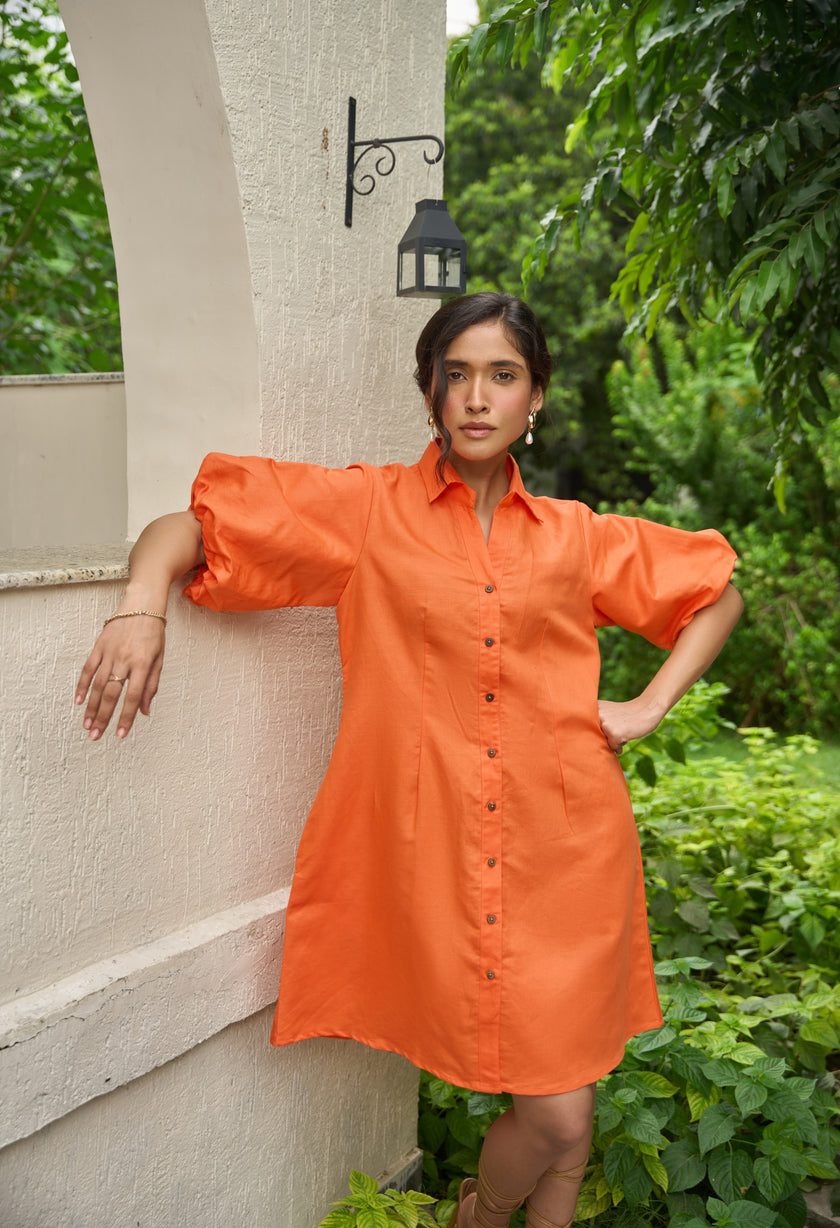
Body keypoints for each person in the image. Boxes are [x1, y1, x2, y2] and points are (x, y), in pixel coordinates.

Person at [75, 292, 742, 1228]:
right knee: (562, 1112)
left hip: (572, 855)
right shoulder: (366, 512)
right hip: (438, 856)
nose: (477, 397)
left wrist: (646, 706)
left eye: (502, 376)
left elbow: (716, 593)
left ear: (535, 399)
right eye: (457, 373)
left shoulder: (578, 536)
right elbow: (191, 526)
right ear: (430, 390)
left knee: (563, 1101)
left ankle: (480, 1214)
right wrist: (140, 606)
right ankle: (481, 1213)